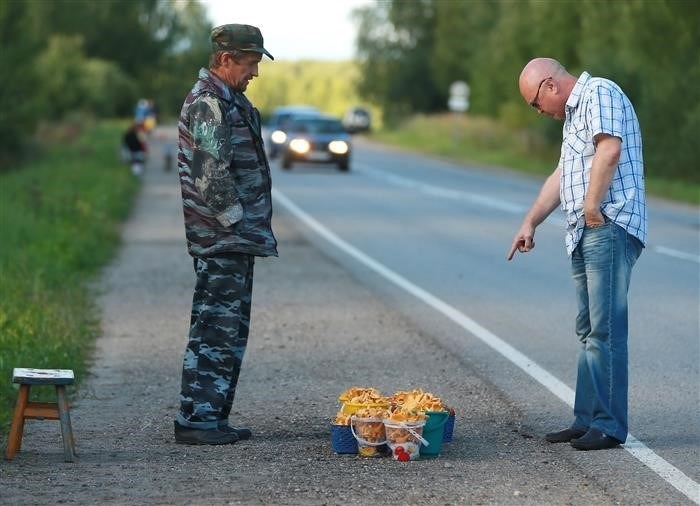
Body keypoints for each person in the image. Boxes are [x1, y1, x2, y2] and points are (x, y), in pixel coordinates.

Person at [507, 58, 647, 451]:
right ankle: (586, 419)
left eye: (535, 102)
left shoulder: (599, 92)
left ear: (550, 85)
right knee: (588, 331)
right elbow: (561, 174)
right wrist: (530, 221)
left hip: (608, 225)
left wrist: (590, 207)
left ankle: (609, 425)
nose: (537, 111)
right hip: (586, 230)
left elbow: (609, 151)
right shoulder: (575, 114)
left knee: (605, 330)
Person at [174, 23, 277, 445]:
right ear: (225, 59)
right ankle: (197, 420)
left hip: (234, 240)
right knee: (215, 329)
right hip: (222, 239)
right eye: (250, 63)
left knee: (229, 331)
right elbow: (209, 175)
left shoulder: (232, 102)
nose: (255, 71)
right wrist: (237, 224)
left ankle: (212, 417)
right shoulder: (209, 104)